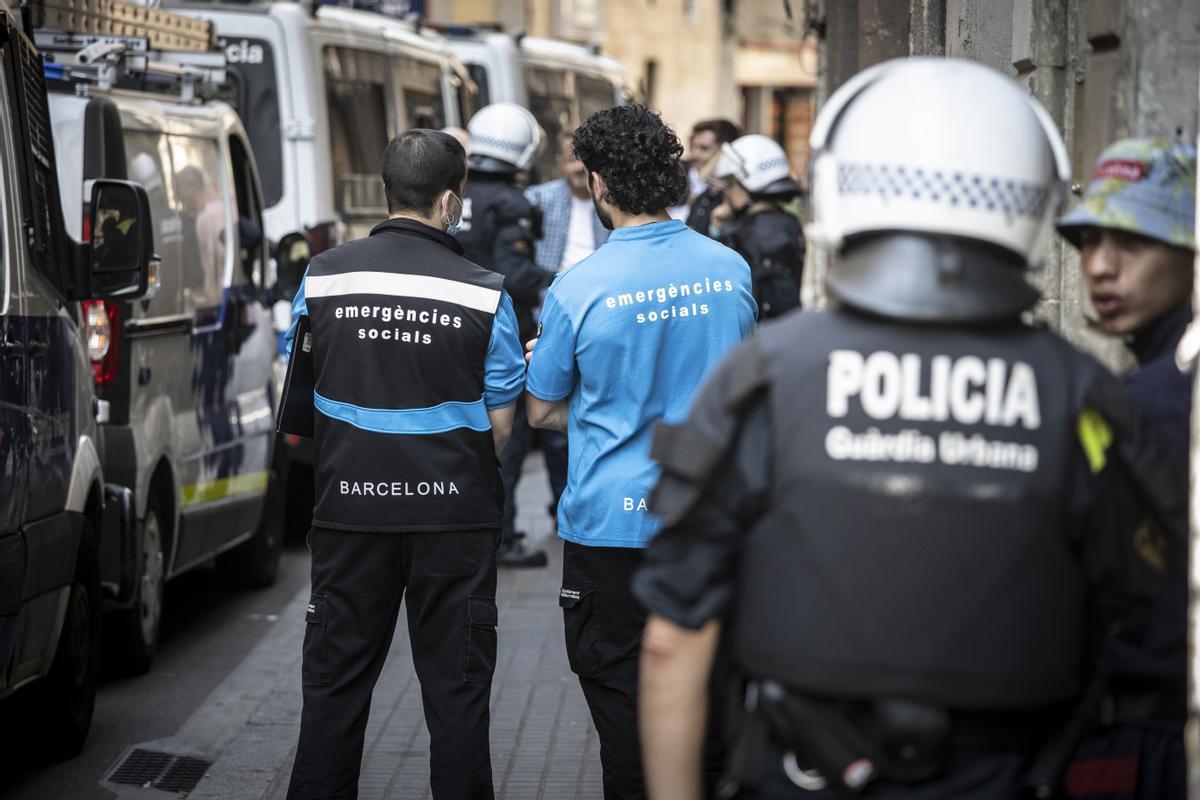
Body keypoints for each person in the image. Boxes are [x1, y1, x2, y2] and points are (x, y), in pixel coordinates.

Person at [633, 58, 1186, 800]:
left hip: (802, 772)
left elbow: (673, 639)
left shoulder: (766, 373)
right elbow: (1140, 602)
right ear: (1032, 202)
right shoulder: (1082, 395)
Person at [283, 129, 524, 800]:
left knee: (332, 693)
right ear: (452, 200)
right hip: (454, 519)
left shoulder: (325, 274)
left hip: (348, 514)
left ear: (387, 190)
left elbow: (299, 372)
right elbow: (502, 422)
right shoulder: (486, 293)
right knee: (457, 698)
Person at [525, 105, 757, 799]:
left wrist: (605, 402)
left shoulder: (580, 286)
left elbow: (539, 408)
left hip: (612, 530)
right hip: (710, 523)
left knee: (626, 725)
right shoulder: (729, 270)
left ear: (598, 184)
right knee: (712, 715)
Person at [1056, 138, 1195, 800]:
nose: (1101, 268)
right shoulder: (1152, 382)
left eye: (1132, 244)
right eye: (1088, 244)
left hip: (1149, 745)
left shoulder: (1152, 403)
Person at [456, 102, 555, 568]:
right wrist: (561, 278)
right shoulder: (512, 203)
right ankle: (500, 534)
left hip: (450, 329)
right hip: (496, 333)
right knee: (505, 440)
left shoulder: (455, 190)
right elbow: (511, 272)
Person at [511, 129, 613, 534]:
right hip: (549, 311)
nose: (576, 167)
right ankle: (561, 505)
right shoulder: (537, 201)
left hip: (603, 314)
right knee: (552, 420)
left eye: (583, 160)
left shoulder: (611, 204)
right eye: (570, 159)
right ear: (558, 161)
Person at [709, 134, 806, 318]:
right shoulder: (781, 223)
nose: (727, 193)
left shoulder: (762, 231)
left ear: (749, 183)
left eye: (731, 184)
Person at [681, 118, 741, 235]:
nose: (694, 154)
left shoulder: (735, 199)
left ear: (724, 152)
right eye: (692, 147)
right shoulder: (703, 197)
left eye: (704, 148)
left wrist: (716, 229)